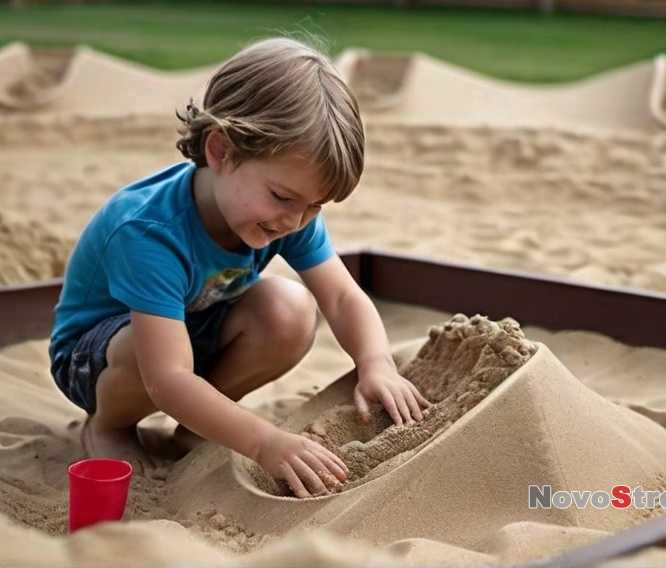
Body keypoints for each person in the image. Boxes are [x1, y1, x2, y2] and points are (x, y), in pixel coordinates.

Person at [48, 37, 430, 498]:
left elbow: (342, 296)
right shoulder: (149, 232)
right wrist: (264, 443)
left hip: (190, 335)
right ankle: (109, 425)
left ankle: (196, 427)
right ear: (220, 151)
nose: (295, 220)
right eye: (283, 197)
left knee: (289, 309)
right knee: (140, 350)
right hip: (96, 360)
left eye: (315, 206)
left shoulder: (286, 212)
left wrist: (376, 363)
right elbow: (167, 377)